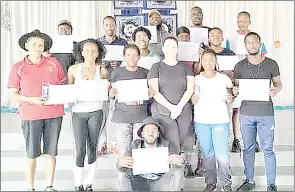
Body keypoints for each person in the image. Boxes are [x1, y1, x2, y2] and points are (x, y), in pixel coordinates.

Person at [7, 29, 66, 191]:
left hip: (54, 113)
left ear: (44, 47)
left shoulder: (54, 63)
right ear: (26, 46)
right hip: (30, 115)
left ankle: (50, 185)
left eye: (40, 45)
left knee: (51, 152)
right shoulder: (18, 67)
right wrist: (31, 100)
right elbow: (13, 95)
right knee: (31, 153)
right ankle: (30, 187)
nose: (37, 47)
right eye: (33, 44)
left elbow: (62, 85)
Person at [234, 32, 282, 192]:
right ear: (245, 45)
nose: (252, 45)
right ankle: (249, 180)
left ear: (260, 43)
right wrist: (234, 90)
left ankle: (271, 184)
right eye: (249, 42)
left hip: (266, 114)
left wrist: (276, 90)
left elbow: (278, 84)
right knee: (247, 148)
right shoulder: (239, 66)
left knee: (267, 148)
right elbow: (236, 88)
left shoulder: (271, 64)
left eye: (255, 42)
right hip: (246, 113)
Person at [67, 39, 108, 191]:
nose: (90, 53)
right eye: (87, 50)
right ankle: (78, 183)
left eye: (94, 51)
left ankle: (89, 183)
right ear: (81, 52)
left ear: (98, 53)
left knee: (92, 147)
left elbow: (106, 92)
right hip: (78, 113)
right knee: (79, 149)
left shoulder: (102, 71)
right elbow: (69, 91)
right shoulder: (73, 69)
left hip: (96, 112)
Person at [193, 49, 233, 191]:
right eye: (205, 60)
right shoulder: (196, 79)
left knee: (222, 154)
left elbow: (231, 96)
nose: (208, 62)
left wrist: (230, 98)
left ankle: (226, 184)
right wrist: (192, 99)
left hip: (220, 120)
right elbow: (191, 98)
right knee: (207, 153)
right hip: (201, 121)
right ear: (201, 62)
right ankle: (210, 183)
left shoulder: (224, 78)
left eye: (211, 59)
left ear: (216, 61)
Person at [148, 36, 195, 157]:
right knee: (170, 139)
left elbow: (190, 89)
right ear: (163, 48)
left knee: (181, 138)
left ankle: (179, 164)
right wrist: (171, 108)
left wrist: (178, 107)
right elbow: (154, 91)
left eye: (173, 46)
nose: (170, 49)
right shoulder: (156, 67)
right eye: (167, 46)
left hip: (183, 108)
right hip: (162, 109)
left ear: (178, 49)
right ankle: (172, 167)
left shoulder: (185, 67)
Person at [117, 116, 184, 191]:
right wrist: (119, 164)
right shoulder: (135, 145)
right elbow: (123, 165)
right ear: (142, 134)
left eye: (154, 130)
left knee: (179, 170)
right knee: (121, 173)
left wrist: (180, 160)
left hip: (160, 181)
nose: (150, 133)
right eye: (147, 130)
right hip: (139, 181)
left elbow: (175, 161)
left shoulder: (165, 144)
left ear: (158, 134)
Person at [227, 11, 262, 153]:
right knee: (237, 109)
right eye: (239, 21)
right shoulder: (230, 39)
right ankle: (236, 139)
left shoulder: (256, 38)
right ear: (236, 22)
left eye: (245, 20)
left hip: (254, 77)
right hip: (238, 77)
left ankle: (253, 140)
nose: (242, 23)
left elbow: (262, 56)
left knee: (254, 109)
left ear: (249, 21)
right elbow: (228, 58)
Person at [109, 44, 152, 156]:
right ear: (123, 57)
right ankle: (123, 173)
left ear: (139, 57)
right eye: (128, 55)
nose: (131, 58)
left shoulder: (146, 73)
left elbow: (150, 95)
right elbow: (112, 95)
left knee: (139, 152)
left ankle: (138, 174)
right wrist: (111, 94)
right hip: (121, 118)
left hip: (141, 117)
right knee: (124, 153)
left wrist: (150, 94)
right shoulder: (116, 73)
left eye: (135, 55)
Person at [97, 15, 128, 156]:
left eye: (112, 24)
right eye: (107, 24)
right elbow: (92, 60)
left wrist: (120, 63)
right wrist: (100, 64)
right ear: (103, 26)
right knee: (102, 113)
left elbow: (129, 60)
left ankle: (116, 142)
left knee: (117, 113)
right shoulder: (98, 43)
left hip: (119, 81)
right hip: (103, 81)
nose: (109, 27)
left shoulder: (123, 42)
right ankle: (102, 143)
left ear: (116, 26)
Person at [176, 26, 204, 178]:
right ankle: (186, 164)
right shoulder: (173, 53)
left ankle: (201, 163)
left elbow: (199, 72)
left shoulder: (194, 51)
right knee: (185, 131)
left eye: (187, 37)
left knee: (198, 130)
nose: (185, 39)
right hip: (180, 96)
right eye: (182, 37)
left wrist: (199, 58)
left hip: (195, 94)